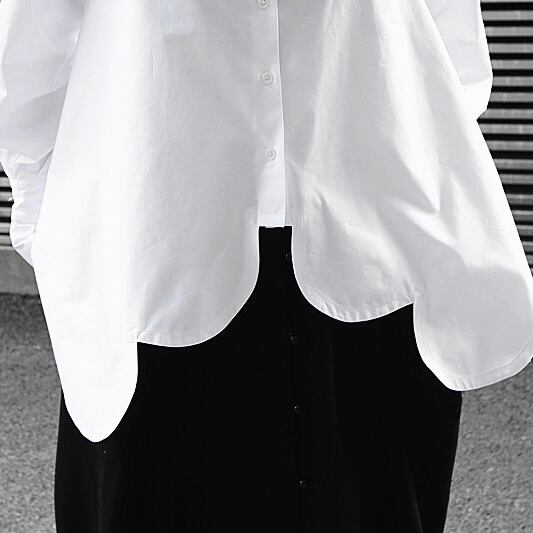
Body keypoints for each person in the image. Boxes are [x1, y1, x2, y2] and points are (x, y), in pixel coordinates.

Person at [0, 1, 531, 532]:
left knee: (372, 489)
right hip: (159, 235)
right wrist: (60, 225)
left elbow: (451, 46)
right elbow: (23, 67)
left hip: (372, 225)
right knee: (153, 488)